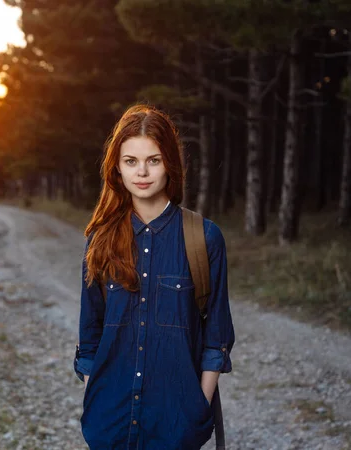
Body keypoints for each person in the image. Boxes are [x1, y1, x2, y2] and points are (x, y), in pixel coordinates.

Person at [73, 104, 235, 449]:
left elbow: (216, 339)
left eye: (154, 160)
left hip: (176, 426)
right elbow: (90, 336)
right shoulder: (99, 240)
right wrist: (96, 400)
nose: (142, 172)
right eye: (131, 161)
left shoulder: (204, 238)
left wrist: (197, 410)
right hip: (110, 422)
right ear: (116, 167)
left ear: (170, 165)